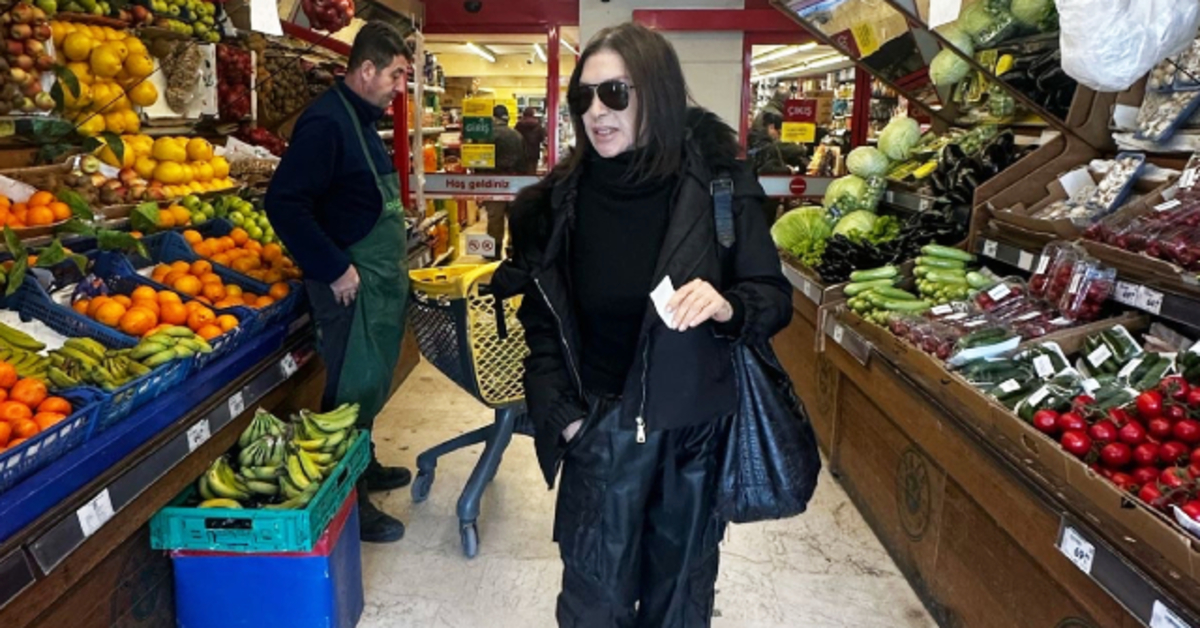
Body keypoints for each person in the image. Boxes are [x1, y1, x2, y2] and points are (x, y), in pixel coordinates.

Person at [495, 22, 792, 627]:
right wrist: (565, 418)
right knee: (593, 605)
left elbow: (772, 295)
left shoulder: (720, 188)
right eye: (584, 96)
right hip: (599, 426)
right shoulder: (556, 206)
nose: (596, 111)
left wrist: (728, 304)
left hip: (693, 436)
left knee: (678, 603)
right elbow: (541, 321)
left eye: (615, 93)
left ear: (657, 93)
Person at [265, 21, 413, 544]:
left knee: (367, 385)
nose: (400, 87)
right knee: (349, 392)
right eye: (396, 75)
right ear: (366, 69)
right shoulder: (326, 123)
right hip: (349, 285)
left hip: (375, 283)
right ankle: (349, 501)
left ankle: (362, 463)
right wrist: (333, 267)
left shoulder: (361, 120)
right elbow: (284, 203)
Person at [483, 104, 524, 260]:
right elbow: (523, 161)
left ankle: (493, 252)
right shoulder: (517, 135)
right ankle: (513, 250)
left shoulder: (487, 136)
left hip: (493, 182)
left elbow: (481, 161)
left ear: (493, 117)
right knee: (514, 218)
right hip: (514, 183)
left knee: (495, 218)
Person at [514, 106, 547, 174]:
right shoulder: (538, 125)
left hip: (521, 153)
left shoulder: (519, 125)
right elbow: (542, 138)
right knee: (532, 172)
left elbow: (515, 137)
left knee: (521, 173)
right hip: (534, 153)